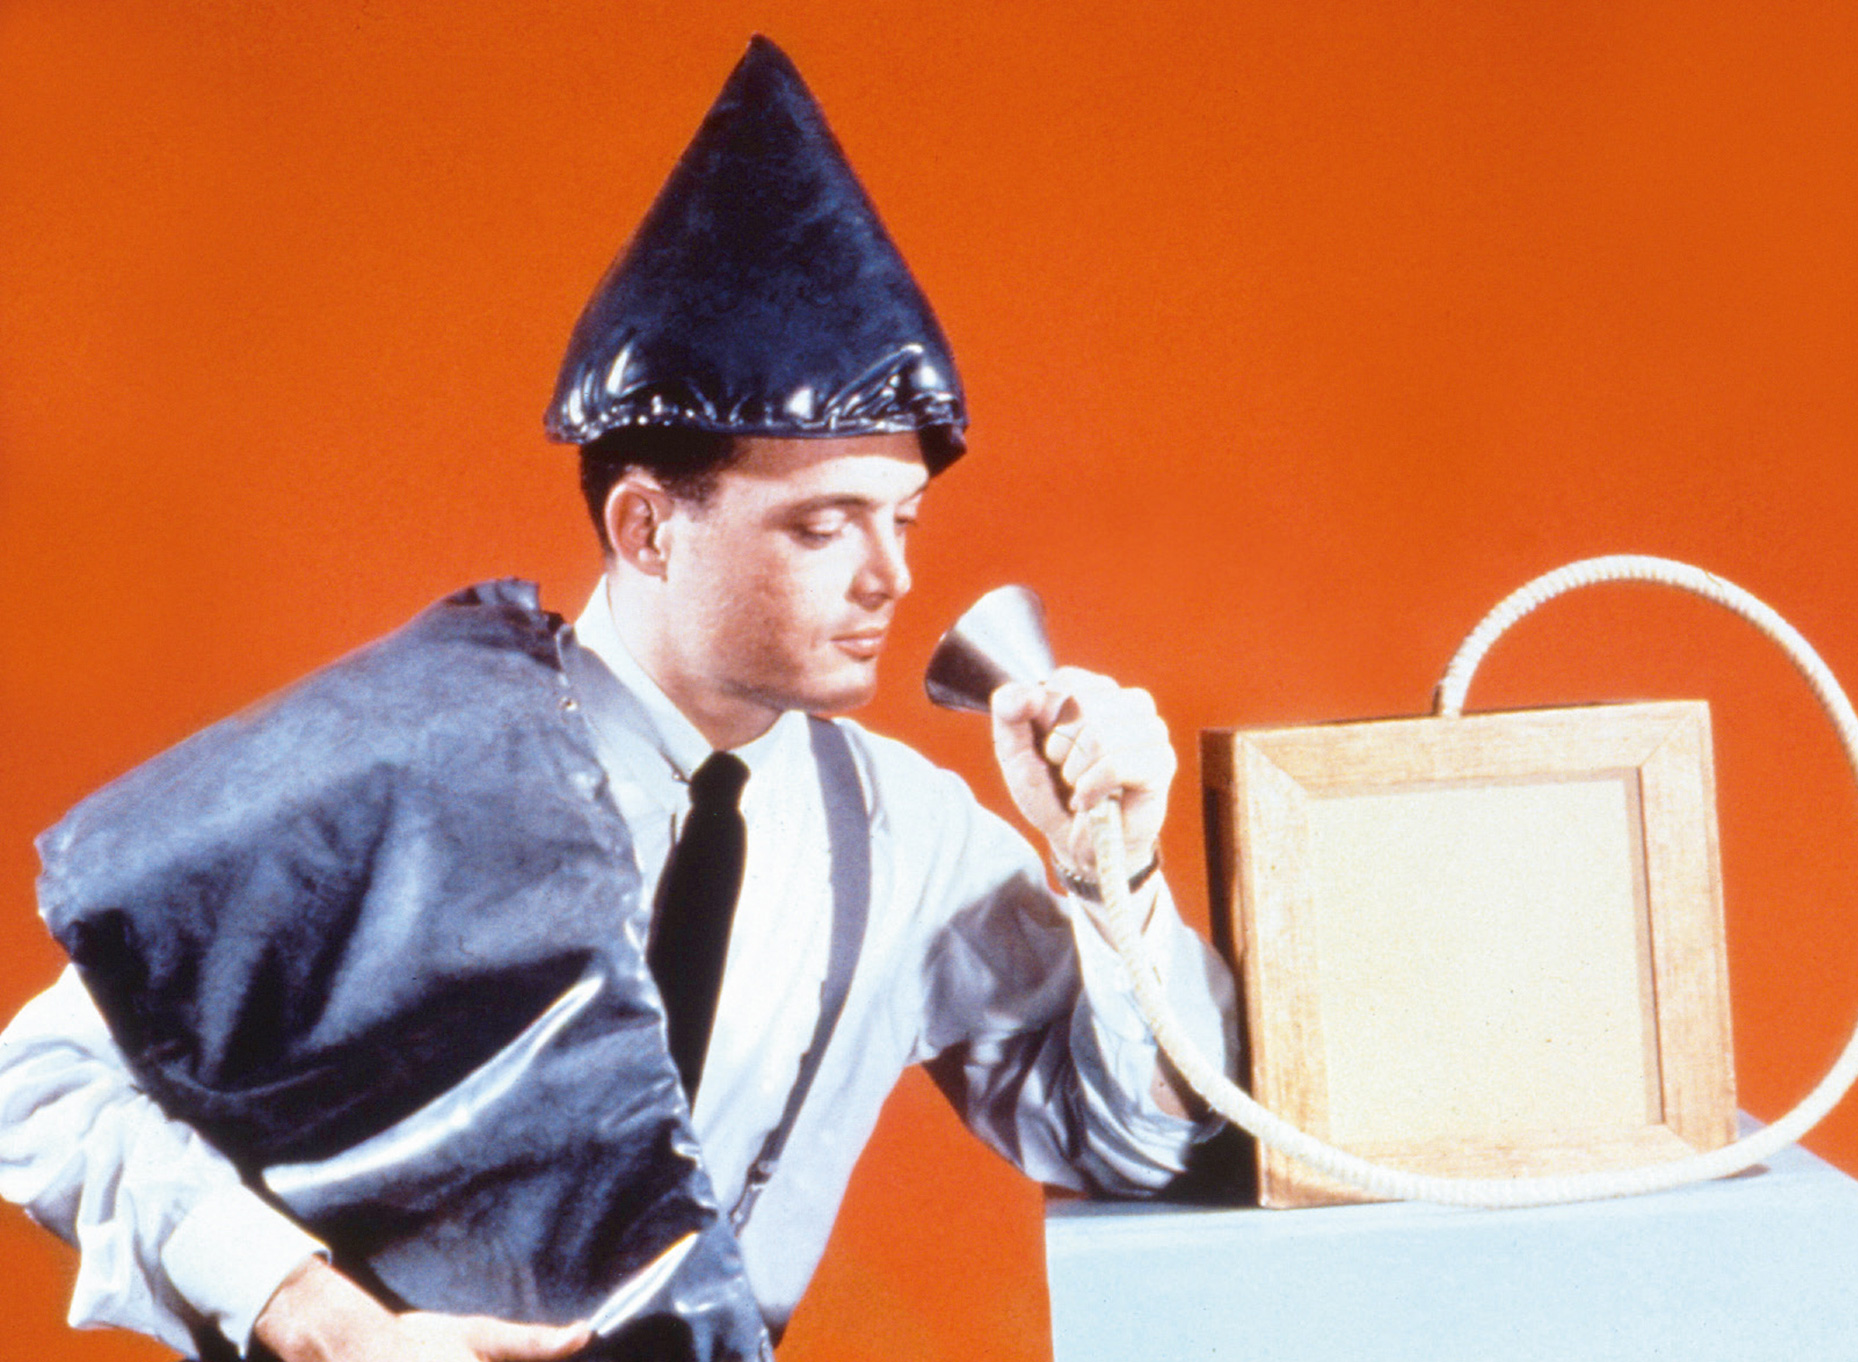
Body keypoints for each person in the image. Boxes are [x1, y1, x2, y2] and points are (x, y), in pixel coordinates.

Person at [0, 36, 1236, 1362]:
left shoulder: (907, 837)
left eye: (906, 518)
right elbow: (39, 1085)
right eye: (826, 526)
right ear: (649, 529)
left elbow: (1144, 1140)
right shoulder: (403, 761)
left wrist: (1114, 870)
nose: (895, 576)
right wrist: (321, 1320)